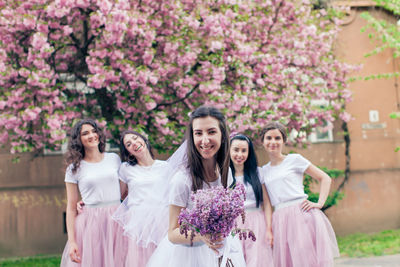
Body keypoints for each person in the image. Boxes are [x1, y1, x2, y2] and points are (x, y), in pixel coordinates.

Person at [146, 106, 245, 267]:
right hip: (189, 256)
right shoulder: (182, 180)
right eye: (198, 133)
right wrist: (202, 235)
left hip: (220, 251)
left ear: (223, 136)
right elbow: (172, 233)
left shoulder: (225, 173)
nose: (205, 140)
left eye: (211, 132)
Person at [260, 122, 339, 267]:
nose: (273, 142)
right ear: (263, 142)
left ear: (283, 141)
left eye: (277, 138)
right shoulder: (263, 171)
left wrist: (320, 203)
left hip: (301, 214)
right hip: (280, 219)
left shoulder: (294, 159)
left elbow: (324, 178)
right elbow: (266, 204)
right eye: (269, 138)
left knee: (306, 259)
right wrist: (269, 229)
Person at [60, 119, 130, 267]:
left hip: (117, 218)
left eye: (94, 131)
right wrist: (72, 242)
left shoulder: (114, 159)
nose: (91, 135)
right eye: (85, 133)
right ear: (78, 140)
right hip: (91, 222)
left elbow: (124, 190)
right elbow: (71, 208)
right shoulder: (74, 169)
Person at [112, 130, 170, 266]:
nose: (134, 144)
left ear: (144, 139)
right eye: (128, 144)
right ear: (128, 151)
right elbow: (118, 195)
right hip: (138, 225)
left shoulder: (165, 166)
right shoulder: (125, 169)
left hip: (163, 222)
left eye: (135, 138)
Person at [229, 133, 274, 267]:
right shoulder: (224, 176)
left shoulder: (257, 173)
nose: (240, 154)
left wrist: (269, 229)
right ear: (229, 151)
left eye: (244, 150)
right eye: (236, 150)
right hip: (233, 224)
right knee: (235, 260)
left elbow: (266, 204)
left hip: (256, 222)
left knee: (257, 261)